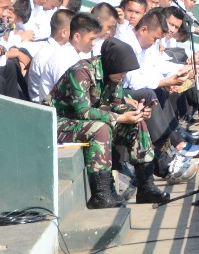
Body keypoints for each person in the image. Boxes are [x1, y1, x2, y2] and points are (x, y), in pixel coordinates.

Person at [50, 30, 167, 208]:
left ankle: (146, 186)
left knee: (138, 124)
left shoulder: (114, 73)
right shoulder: (81, 72)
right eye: (122, 71)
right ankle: (101, 193)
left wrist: (136, 111)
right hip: (58, 122)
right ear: (112, 63)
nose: (124, 75)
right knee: (100, 129)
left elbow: (116, 102)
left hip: (83, 122)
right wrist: (120, 118)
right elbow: (83, 111)